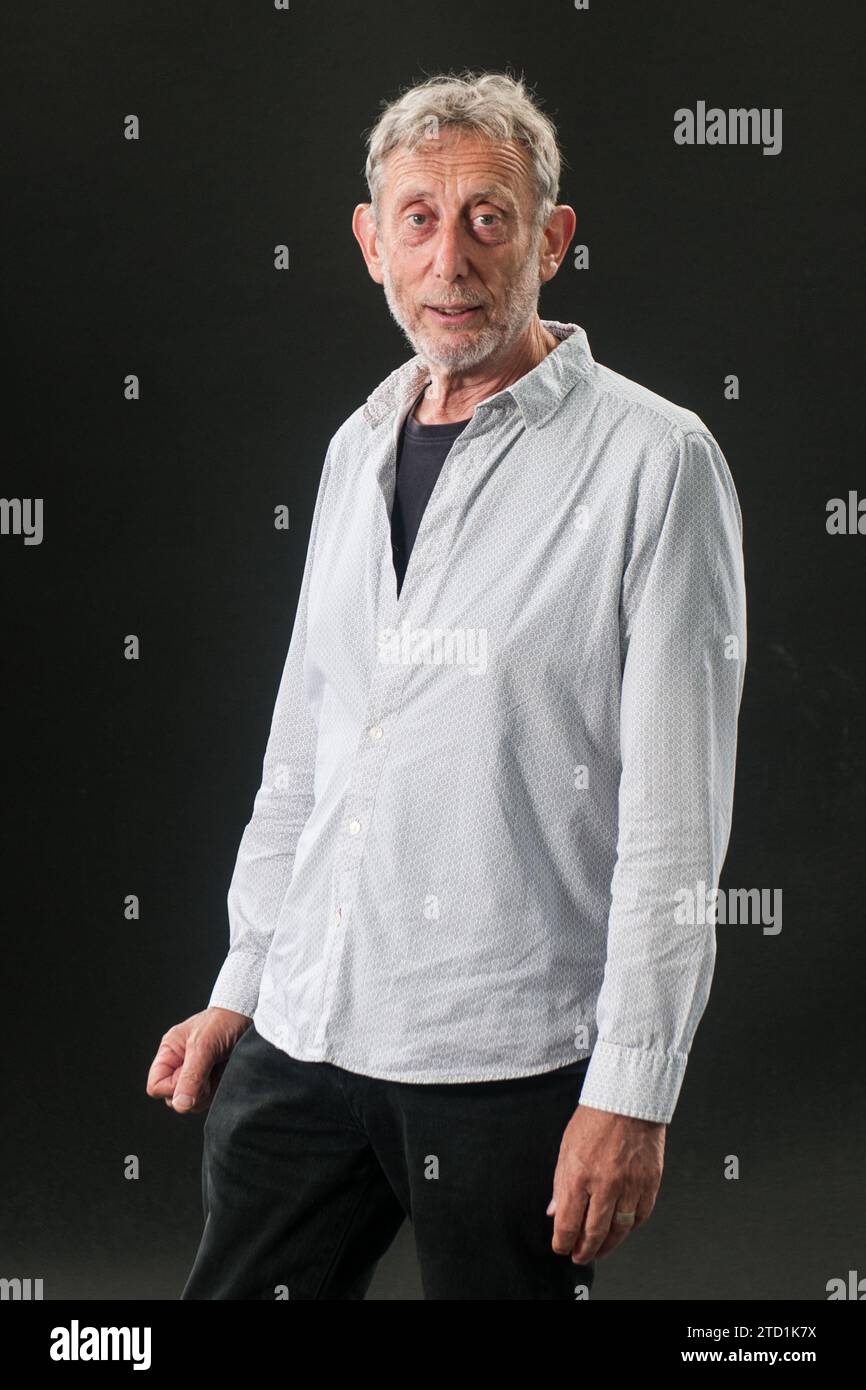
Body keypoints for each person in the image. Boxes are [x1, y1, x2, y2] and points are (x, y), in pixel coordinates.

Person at [146, 69, 747, 1301]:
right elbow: (305, 753)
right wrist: (242, 986)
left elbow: (676, 822)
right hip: (306, 1036)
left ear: (551, 239)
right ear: (371, 243)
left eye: (489, 216)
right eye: (417, 216)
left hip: (505, 1057)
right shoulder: (354, 445)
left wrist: (630, 1090)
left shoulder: (654, 460)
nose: (451, 257)